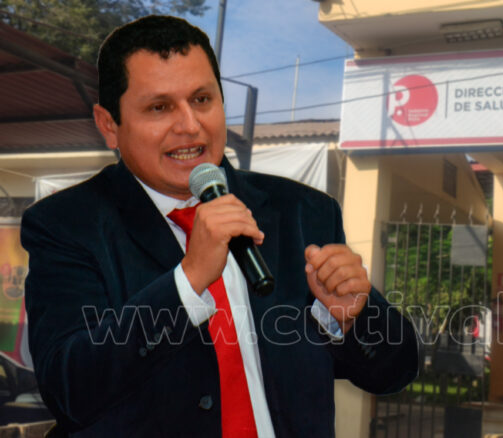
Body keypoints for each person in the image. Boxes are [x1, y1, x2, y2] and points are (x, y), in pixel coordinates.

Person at [20, 15, 418, 437]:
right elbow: (69, 390)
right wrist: (187, 282)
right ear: (109, 125)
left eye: (202, 99)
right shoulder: (66, 225)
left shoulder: (304, 212)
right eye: (159, 107)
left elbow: (394, 373)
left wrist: (353, 317)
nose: (189, 125)